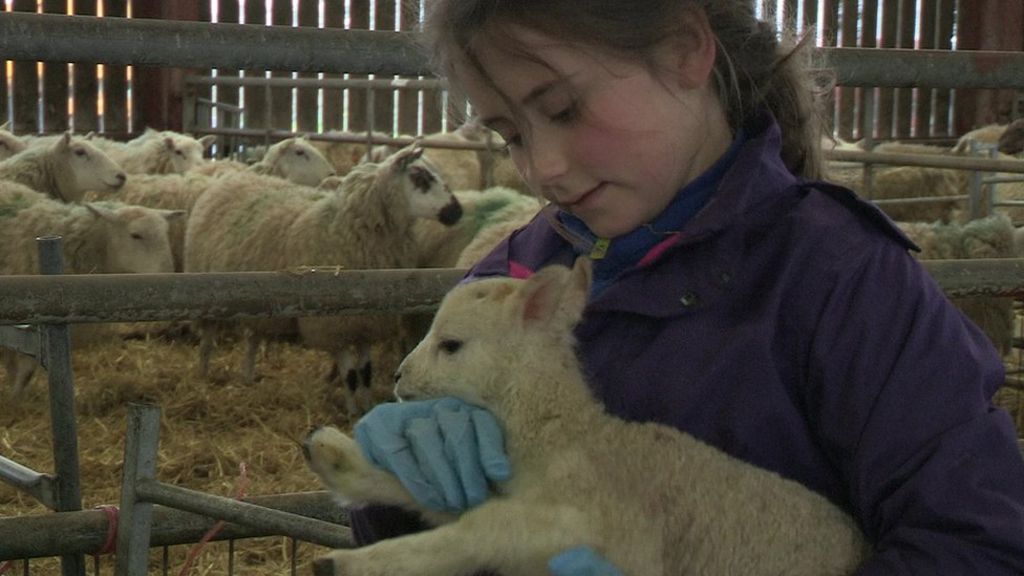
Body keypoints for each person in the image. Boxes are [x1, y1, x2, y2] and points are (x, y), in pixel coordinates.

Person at [348, 1, 1024, 574]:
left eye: (562, 108)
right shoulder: (517, 274)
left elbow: (976, 540)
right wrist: (396, 491)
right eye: (510, 134)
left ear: (684, 51)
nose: (543, 168)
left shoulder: (842, 282)